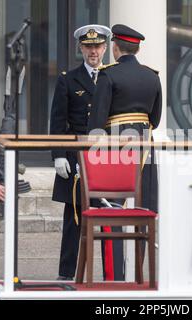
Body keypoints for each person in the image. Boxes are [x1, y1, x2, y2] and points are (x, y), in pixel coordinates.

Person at [87, 24, 162, 280]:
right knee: (143, 211)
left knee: (112, 211)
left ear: (115, 47)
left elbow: (96, 120)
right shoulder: (153, 76)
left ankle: (115, 276)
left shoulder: (108, 75)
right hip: (145, 144)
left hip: (114, 145)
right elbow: (156, 118)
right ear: (137, 48)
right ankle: (138, 274)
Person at [49, 24, 111, 281]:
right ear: (80, 48)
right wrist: (59, 154)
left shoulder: (112, 77)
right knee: (73, 220)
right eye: (88, 46)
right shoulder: (67, 78)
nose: (93, 51)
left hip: (107, 157)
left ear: (105, 48)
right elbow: (58, 120)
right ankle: (66, 274)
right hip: (76, 157)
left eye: (97, 46)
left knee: (109, 218)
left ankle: (111, 275)